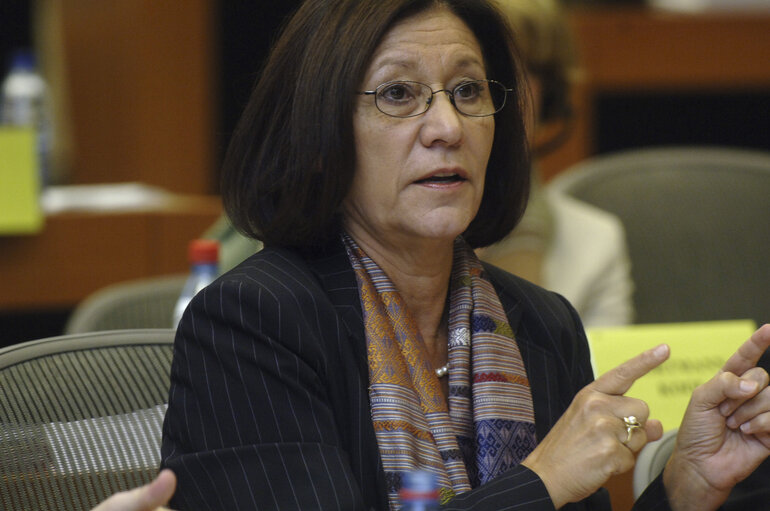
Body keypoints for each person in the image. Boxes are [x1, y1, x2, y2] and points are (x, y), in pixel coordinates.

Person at [160, 0, 770, 510]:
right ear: (320, 133)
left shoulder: (541, 323)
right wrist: (541, 480)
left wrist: (683, 485)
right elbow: (547, 488)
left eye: (467, 90)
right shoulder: (251, 321)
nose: (447, 126)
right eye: (399, 93)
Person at [478, 0, 633, 327]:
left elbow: (605, 377)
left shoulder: (595, 241)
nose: (490, 96)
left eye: (513, 72)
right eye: (470, 79)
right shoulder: (376, 240)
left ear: (550, 98)